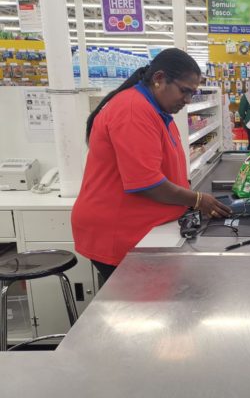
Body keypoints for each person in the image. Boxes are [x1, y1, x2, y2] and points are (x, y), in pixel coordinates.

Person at [71, 48, 231, 282]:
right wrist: (197, 200)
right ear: (159, 79)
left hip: (141, 229)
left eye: (192, 94)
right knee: (135, 310)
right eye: (184, 91)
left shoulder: (156, 110)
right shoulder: (133, 111)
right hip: (117, 231)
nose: (187, 101)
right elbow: (148, 184)